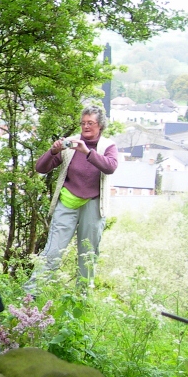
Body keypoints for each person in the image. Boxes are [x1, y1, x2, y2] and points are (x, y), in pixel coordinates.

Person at [28, 104, 118, 288]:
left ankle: (82, 298)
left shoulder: (107, 146)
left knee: (87, 254)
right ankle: (31, 295)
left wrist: (87, 152)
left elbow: (110, 167)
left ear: (100, 125)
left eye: (90, 123)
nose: (85, 127)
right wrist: (53, 151)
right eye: (83, 123)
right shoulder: (71, 144)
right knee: (52, 252)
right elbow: (41, 168)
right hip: (67, 202)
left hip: (93, 204)